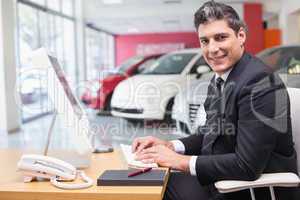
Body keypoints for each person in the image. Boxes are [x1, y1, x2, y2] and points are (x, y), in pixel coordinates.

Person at [131, 1, 299, 200]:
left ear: (241, 36)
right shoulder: (221, 78)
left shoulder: (261, 82)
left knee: (152, 192)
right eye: (205, 41)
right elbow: (212, 133)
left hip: (252, 190)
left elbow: (247, 166)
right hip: (221, 180)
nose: (212, 49)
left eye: (220, 38)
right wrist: (171, 146)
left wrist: (180, 162)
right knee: (149, 184)